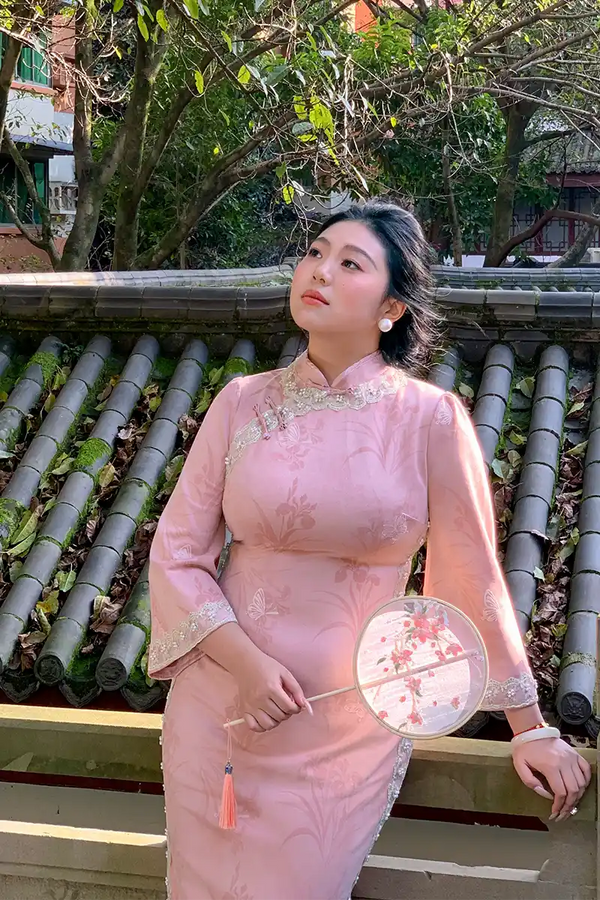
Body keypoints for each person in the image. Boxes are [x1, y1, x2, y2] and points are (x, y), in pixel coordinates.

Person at [148, 201, 591, 900]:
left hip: (342, 729)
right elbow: (177, 553)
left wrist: (529, 727)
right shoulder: (240, 403)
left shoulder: (430, 420)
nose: (318, 271)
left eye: (349, 263)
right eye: (315, 253)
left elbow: (469, 576)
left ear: (390, 307)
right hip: (221, 709)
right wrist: (247, 664)